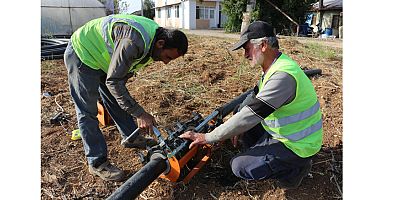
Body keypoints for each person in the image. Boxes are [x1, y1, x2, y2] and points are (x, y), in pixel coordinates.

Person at [179, 21, 322, 189]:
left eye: (247, 49)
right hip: (285, 133)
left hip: (299, 145)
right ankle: (264, 154)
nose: (245, 55)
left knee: (238, 166)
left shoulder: (282, 76)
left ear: (263, 45)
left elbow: (251, 115)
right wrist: (235, 120)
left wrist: (207, 137)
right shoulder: (275, 66)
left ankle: (295, 171)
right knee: (241, 125)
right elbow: (253, 97)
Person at [64, 14, 188, 181]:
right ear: (161, 44)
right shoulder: (133, 42)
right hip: (83, 54)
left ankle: (131, 137)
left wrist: (128, 102)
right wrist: (140, 114)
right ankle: (97, 162)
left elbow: (119, 79)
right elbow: (114, 81)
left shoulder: (154, 41)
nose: (166, 63)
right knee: (87, 111)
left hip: (104, 59)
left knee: (116, 99)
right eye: (168, 57)